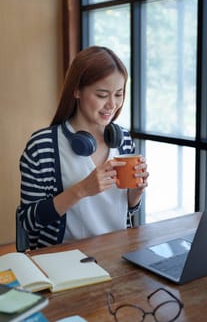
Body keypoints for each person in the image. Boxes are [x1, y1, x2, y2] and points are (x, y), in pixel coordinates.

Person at [18, 46, 149, 250]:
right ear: (77, 90)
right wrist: (81, 190)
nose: (112, 105)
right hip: (65, 261)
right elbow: (29, 221)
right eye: (102, 94)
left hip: (118, 253)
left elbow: (127, 211)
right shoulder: (42, 147)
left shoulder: (122, 139)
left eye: (118, 94)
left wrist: (136, 193)